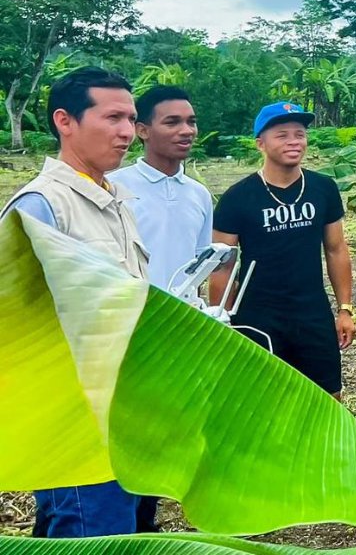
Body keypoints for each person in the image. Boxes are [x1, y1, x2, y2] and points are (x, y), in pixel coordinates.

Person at [1, 67, 146, 538]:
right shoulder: (42, 205)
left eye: (131, 118)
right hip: (76, 420)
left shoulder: (115, 199)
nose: (128, 131)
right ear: (65, 121)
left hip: (125, 408)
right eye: (113, 117)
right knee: (92, 534)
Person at [108, 84, 214, 532]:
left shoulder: (200, 194)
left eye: (190, 121)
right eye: (173, 122)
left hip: (179, 337)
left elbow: (198, 264)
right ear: (142, 130)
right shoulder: (116, 187)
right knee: (121, 442)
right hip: (127, 336)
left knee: (159, 441)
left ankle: (145, 526)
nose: (186, 130)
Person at [209, 101, 356, 399]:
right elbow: (222, 266)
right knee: (262, 401)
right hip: (257, 317)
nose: (294, 141)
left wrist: (344, 309)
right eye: (282, 134)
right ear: (260, 143)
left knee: (328, 398)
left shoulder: (323, 188)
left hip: (312, 313)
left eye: (299, 134)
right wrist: (222, 322)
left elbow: (336, 249)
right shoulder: (237, 198)